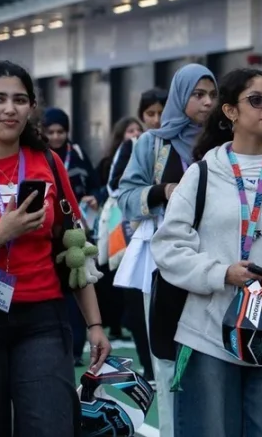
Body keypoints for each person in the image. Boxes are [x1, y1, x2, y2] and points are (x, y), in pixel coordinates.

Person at [150, 68, 262, 436]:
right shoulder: (202, 173)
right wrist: (221, 273)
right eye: (257, 100)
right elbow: (168, 245)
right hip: (206, 331)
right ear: (230, 112)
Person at [0, 60, 112, 436]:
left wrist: (96, 325)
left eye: (20, 99)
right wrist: (0, 234)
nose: (10, 108)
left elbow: (74, 251)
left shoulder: (48, 163)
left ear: (31, 107)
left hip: (42, 319)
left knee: (49, 426)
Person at [116, 63, 216, 437]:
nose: (207, 103)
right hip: (165, 263)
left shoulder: (226, 139)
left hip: (217, 261)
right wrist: (164, 192)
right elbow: (126, 196)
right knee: (167, 361)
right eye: (198, 94)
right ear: (180, 96)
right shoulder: (152, 143)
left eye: (212, 94)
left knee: (215, 359)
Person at [107, 88, 167, 382]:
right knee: (140, 302)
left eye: (161, 112)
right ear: (142, 116)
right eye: (150, 114)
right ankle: (147, 364)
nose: (156, 119)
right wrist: (153, 196)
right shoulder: (136, 145)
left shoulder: (182, 143)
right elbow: (116, 187)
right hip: (135, 234)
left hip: (175, 240)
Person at [42, 106, 102, 366]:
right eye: (51, 132)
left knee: (76, 284)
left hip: (75, 235)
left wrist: (95, 198)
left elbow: (98, 185)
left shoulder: (70, 156)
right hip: (45, 246)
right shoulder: (36, 157)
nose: (56, 137)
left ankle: (76, 349)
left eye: (61, 131)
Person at [92, 115, 144, 342]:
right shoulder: (114, 158)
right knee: (118, 271)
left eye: (137, 130)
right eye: (130, 131)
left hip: (137, 221)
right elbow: (110, 187)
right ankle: (117, 322)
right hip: (121, 222)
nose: (135, 135)